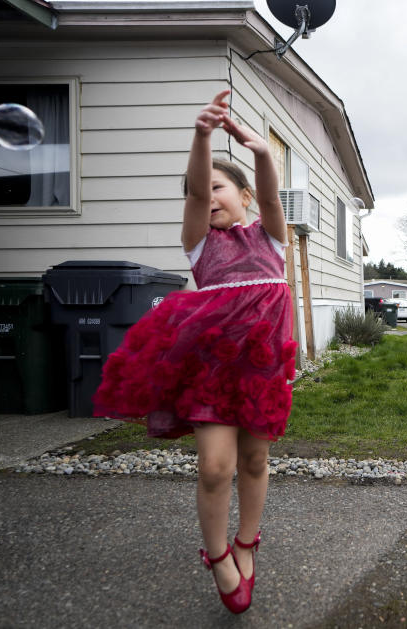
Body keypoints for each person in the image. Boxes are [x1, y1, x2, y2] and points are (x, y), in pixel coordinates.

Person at [94, 90, 297, 611]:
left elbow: (275, 200)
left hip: (260, 371)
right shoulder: (201, 244)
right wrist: (202, 135)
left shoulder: (270, 240)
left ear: (246, 196)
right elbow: (193, 197)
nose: (209, 199)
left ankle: (247, 542)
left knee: (254, 461)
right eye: (198, 192)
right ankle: (217, 554)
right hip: (209, 371)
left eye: (219, 189)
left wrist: (263, 155)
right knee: (214, 467)